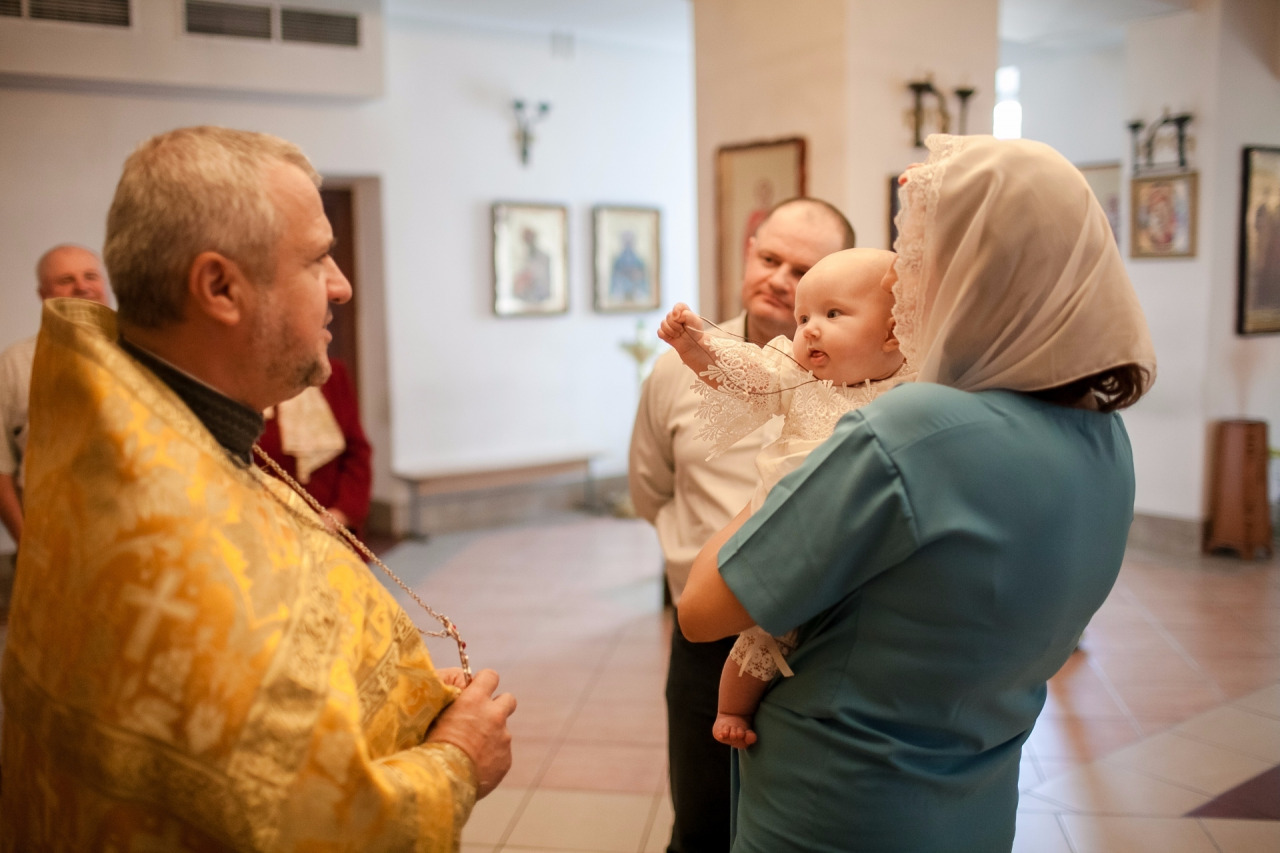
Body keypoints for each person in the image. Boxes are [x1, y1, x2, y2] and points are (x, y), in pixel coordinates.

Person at [0, 126, 515, 852]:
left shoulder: (132, 438)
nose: (342, 284)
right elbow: (312, 828)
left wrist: (403, 695)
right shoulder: (186, 545)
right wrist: (457, 760)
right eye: (316, 258)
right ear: (220, 287)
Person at [680, 134, 1156, 852]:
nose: (905, 287)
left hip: (839, 802)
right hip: (976, 796)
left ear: (977, 271)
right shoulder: (1104, 441)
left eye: (919, 261)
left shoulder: (911, 430)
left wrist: (787, 472)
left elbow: (702, 607)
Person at [629, 196, 855, 853]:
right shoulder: (679, 364)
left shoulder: (861, 381)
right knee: (702, 824)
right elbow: (651, 487)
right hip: (707, 643)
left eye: (804, 268)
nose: (781, 278)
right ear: (747, 254)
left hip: (820, 639)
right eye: (770, 257)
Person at [658, 248, 906, 750]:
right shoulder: (801, 379)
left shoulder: (911, 391)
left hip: (857, 560)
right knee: (760, 642)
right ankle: (731, 708)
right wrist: (695, 347)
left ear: (892, 331)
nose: (810, 329)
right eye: (803, 318)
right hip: (783, 542)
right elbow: (744, 373)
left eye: (832, 314)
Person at [0, 245, 111, 556]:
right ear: (43, 294)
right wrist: (30, 548)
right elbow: (1, 468)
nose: (82, 286)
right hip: (53, 544)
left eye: (91, 275)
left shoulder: (145, 354)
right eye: (66, 279)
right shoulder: (14, 364)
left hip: (139, 541)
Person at [257, 356, 373, 539]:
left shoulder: (332, 373)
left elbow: (357, 453)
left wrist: (336, 518)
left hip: (333, 535)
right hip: (265, 534)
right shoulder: (245, 379)